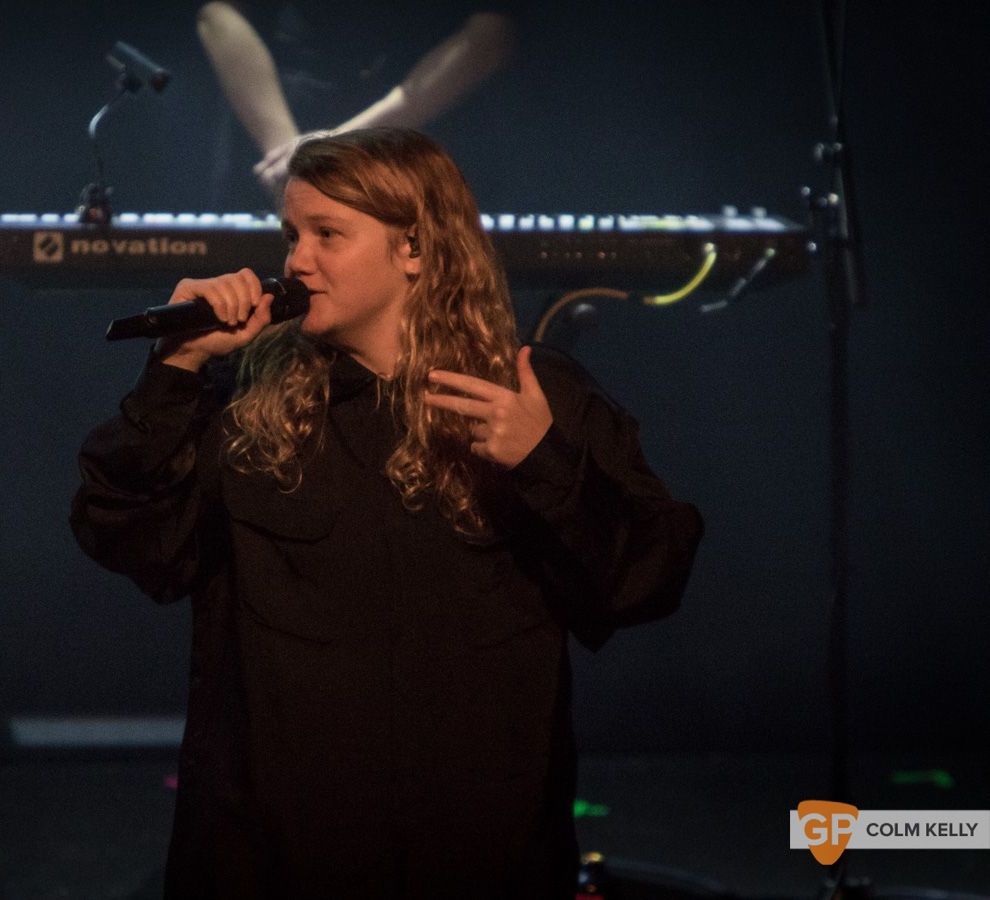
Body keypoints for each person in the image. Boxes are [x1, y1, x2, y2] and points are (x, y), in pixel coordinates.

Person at [70, 128, 702, 898]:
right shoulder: (243, 399)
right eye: (292, 235)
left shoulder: (535, 399)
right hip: (269, 855)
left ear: (413, 247)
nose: (297, 260)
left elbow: (647, 582)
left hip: (476, 856)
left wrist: (545, 462)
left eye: (327, 235)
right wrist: (176, 369)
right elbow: (127, 537)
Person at [196, 1, 519, 195]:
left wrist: (330, 150)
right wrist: (288, 160)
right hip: (275, 137)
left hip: (416, 140)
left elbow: (490, 36)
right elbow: (218, 12)